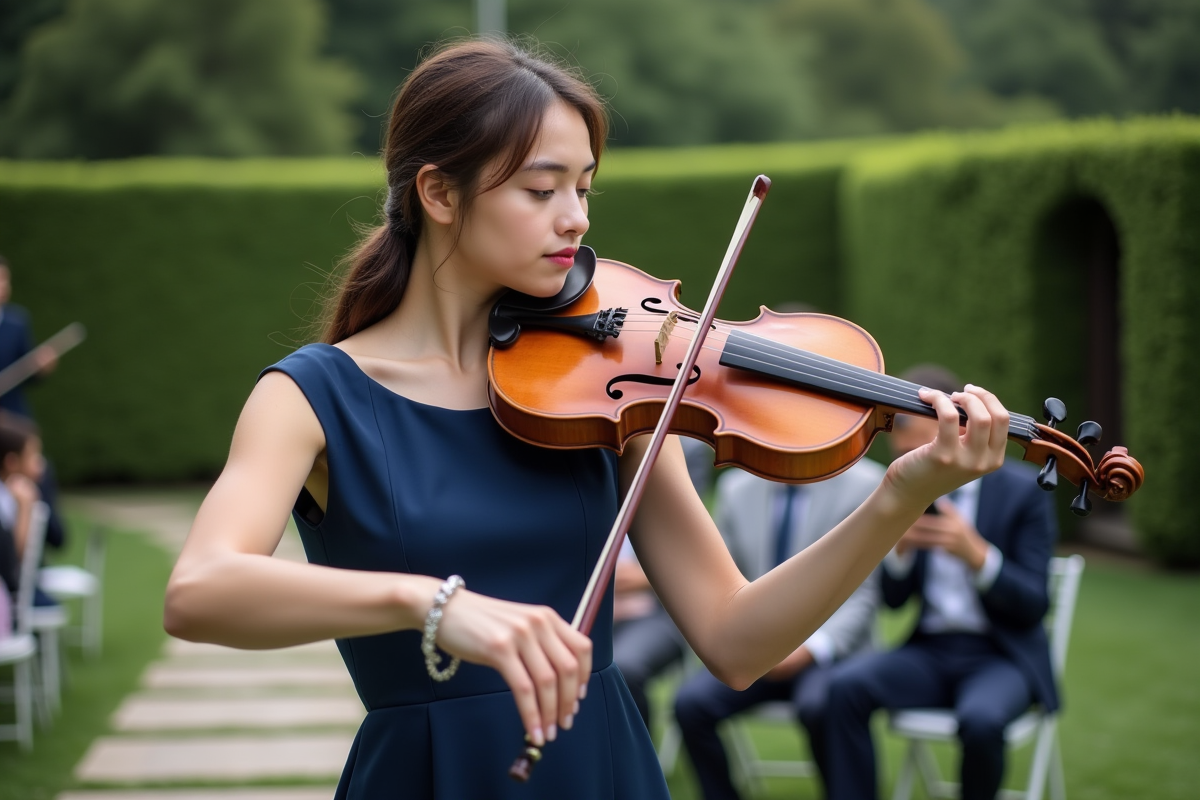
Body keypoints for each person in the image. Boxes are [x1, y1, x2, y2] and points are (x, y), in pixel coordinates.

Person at [162, 39, 1013, 800]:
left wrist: (901, 493)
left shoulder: (610, 397)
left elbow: (737, 641)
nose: (577, 218)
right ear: (438, 193)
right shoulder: (314, 395)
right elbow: (199, 591)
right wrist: (431, 603)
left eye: (583, 187)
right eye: (542, 189)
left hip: (601, 767)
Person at [819, 364, 1059, 800]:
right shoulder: (915, 488)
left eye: (921, 448)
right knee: (842, 688)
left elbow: (1034, 604)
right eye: (905, 453)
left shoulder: (1022, 492)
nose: (915, 463)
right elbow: (894, 601)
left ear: (958, 427)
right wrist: (900, 551)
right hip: (929, 653)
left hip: (1001, 657)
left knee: (982, 721)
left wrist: (979, 557)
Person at [674, 457, 884, 800]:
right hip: (756, 651)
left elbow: (864, 594)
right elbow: (722, 580)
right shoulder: (735, 487)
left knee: (822, 705)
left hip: (829, 655)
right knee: (691, 704)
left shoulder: (864, 483)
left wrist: (808, 650)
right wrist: (748, 644)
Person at [612, 438, 711, 730]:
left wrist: (649, 576)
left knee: (622, 667)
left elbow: (691, 543)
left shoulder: (683, 449)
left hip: (654, 612)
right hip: (581, 603)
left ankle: (633, 768)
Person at [0, 255, 57, 420]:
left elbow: (27, 371)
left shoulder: (18, 321)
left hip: (12, 416)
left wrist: (41, 367)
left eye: (5, 280)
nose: (3, 286)